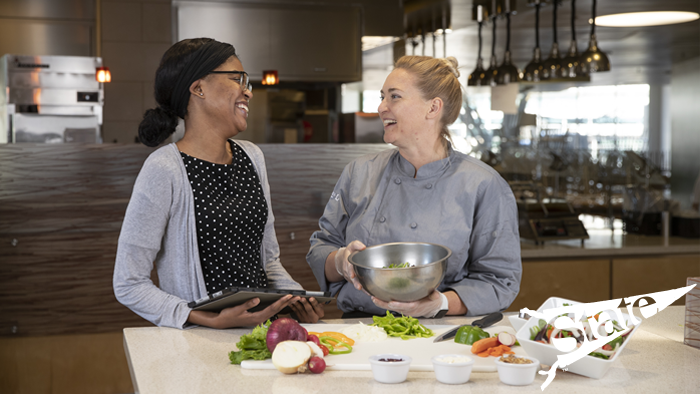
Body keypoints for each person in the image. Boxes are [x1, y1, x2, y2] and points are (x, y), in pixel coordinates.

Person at [113, 38, 323, 329]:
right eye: (238, 79)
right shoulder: (164, 169)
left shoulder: (253, 157)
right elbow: (128, 283)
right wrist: (205, 318)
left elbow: (269, 262)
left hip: (262, 337)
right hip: (198, 346)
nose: (248, 91)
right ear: (198, 88)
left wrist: (294, 300)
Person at [306, 56, 522, 318]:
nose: (381, 107)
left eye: (394, 96)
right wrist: (340, 261)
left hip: (440, 334)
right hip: (359, 330)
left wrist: (440, 303)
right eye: (382, 96)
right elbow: (320, 249)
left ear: (433, 108)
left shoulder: (484, 185)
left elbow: (499, 280)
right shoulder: (359, 172)